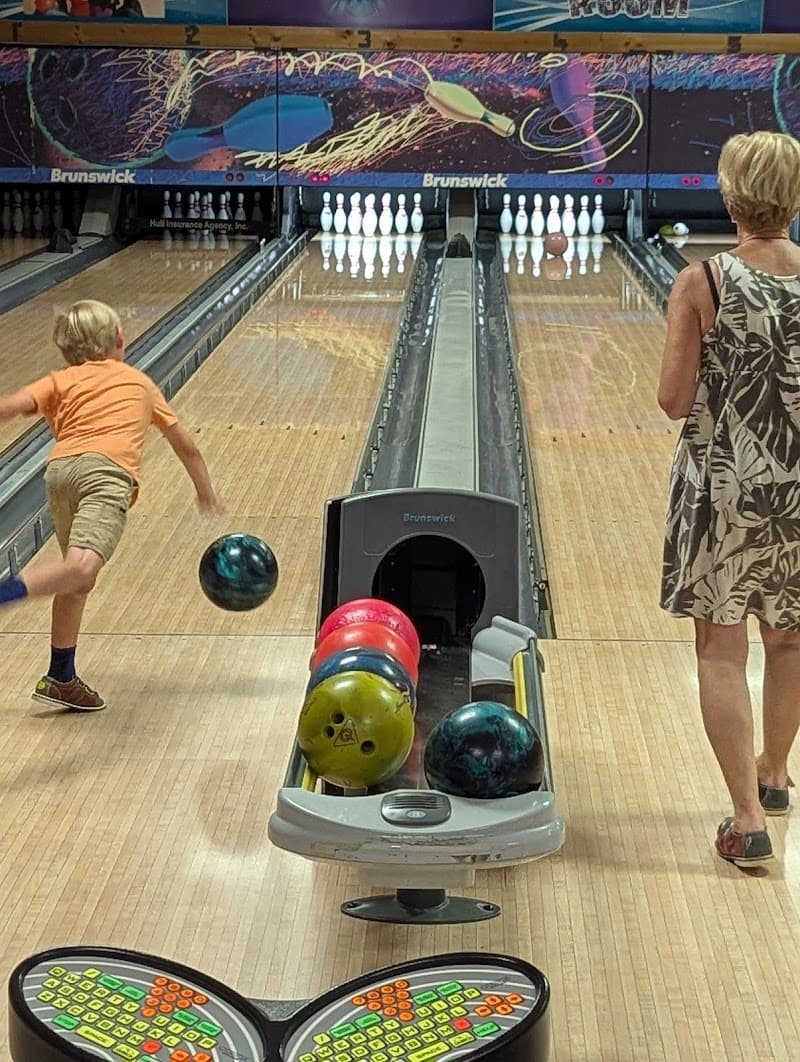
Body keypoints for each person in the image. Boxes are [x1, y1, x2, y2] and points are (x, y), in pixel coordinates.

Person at [658, 130, 800, 869]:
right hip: (799, 488)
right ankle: (774, 776)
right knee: (790, 638)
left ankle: (747, 820)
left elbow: (674, 399)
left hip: (724, 486)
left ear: (729, 192)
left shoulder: (701, 281)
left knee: (721, 649)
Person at [0, 299, 220, 711]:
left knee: (76, 580)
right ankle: (5, 591)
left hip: (60, 473)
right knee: (82, 568)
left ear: (67, 351)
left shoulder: (60, 379)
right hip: (106, 475)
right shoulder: (138, 382)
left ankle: (61, 677)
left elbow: (9, 408)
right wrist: (204, 490)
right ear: (120, 340)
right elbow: (185, 445)